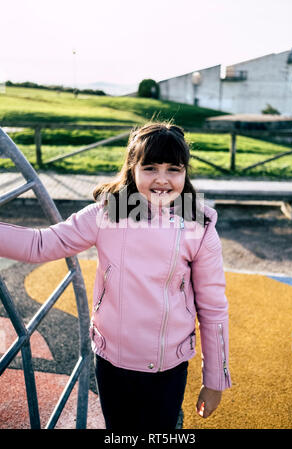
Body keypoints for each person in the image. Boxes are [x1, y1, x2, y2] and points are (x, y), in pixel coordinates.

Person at [0, 122, 231, 429]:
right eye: (150, 168)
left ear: (185, 172)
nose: (162, 179)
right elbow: (41, 244)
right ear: (132, 168)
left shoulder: (198, 227)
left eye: (173, 169)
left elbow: (213, 307)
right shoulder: (106, 215)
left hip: (167, 368)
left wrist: (214, 379)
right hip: (112, 363)